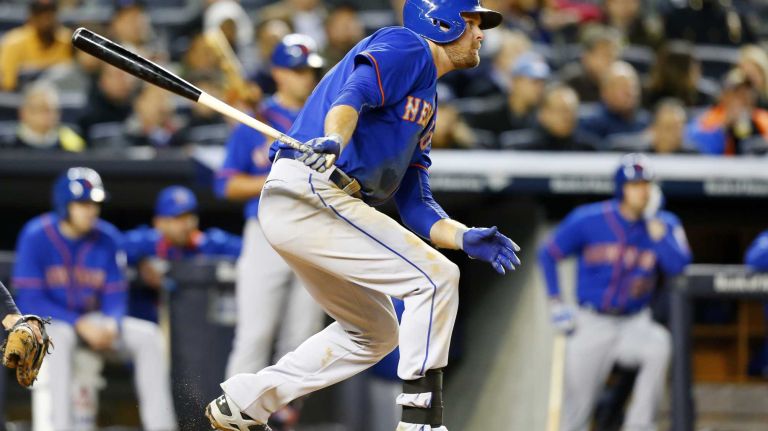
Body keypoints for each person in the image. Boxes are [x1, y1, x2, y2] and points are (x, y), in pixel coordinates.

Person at [206, 1, 521, 430]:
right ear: (441, 22)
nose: (481, 33)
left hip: (313, 203)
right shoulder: (408, 45)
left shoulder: (426, 98)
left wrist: (462, 236)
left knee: (375, 332)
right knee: (436, 279)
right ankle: (420, 421)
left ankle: (248, 400)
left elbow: (416, 203)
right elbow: (352, 93)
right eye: (472, 22)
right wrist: (334, 136)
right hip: (315, 189)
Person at [215, 34, 326, 430]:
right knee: (256, 333)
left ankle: (284, 417)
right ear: (278, 73)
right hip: (265, 231)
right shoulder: (253, 123)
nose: (306, 78)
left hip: (313, 232)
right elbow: (225, 184)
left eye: (310, 70)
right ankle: (231, 416)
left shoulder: (325, 120)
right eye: (297, 70)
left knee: (304, 336)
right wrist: (278, 176)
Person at [12, 167, 177, 431]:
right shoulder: (36, 235)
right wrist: (79, 323)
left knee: (149, 337)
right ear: (64, 205)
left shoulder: (108, 237)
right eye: (83, 204)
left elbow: (115, 295)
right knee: (58, 337)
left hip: (93, 321)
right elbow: (30, 300)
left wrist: (112, 323)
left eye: (95, 204)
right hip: (51, 322)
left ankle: (162, 427)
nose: (91, 210)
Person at [538, 154, 692, 431]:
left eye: (647, 184)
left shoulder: (665, 225)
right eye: (635, 184)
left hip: (634, 322)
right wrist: (556, 302)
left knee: (659, 345)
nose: (642, 190)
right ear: (622, 188)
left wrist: (660, 236)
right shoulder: (589, 219)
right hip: (591, 321)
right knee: (575, 415)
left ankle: (640, 425)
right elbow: (548, 253)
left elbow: (680, 267)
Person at [122, 185, 242, 323]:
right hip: (153, 325)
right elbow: (112, 246)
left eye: (190, 216)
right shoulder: (145, 243)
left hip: (197, 324)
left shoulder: (210, 243)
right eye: (178, 218)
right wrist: (141, 263)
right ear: (159, 222)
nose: (187, 224)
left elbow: (249, 250)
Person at [466, 51, 551, 148]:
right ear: (515, 81)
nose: (540, 89)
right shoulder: (490, 113)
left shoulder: (542, 118)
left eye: (543, 83)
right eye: (535, 82)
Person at [686, 68, 768, 155]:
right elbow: (693, 143)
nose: (745, 97)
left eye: (748, 91)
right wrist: (724, 126)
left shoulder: (762, 118)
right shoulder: (709, 118)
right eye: (737, 92)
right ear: (724, 96)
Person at [0, 0, 73, 91]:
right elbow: (7, 84)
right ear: (31, 17)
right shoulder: (14, 41)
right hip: (23, 98)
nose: (45, 20)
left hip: (62, 97)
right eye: (40, 15)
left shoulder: (67, 39)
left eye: (49, 14)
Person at [501, 83, 597, 151]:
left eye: (572, 110)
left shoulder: (589, 149)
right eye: (560, 110)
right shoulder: (519, 148)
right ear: (543, 114)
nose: (567, 116)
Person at [578, 61, 650, 149]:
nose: (630, 92)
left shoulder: (645, 121)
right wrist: (642, 139)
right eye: (623, 87)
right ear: (605, 91)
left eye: (633, 86)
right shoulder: (590, 122)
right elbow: (600, 149)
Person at [4, 81, 85, 152]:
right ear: (24, 113)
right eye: (42, 109)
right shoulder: (7, 143)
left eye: (52, 110)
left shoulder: (72, 142)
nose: (49, 115)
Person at [559, 25, 621, 103]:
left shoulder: (621, 83)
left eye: (613, 56)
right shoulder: (571, 81)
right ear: (587, 57)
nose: (610, 62)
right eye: (605, 55)